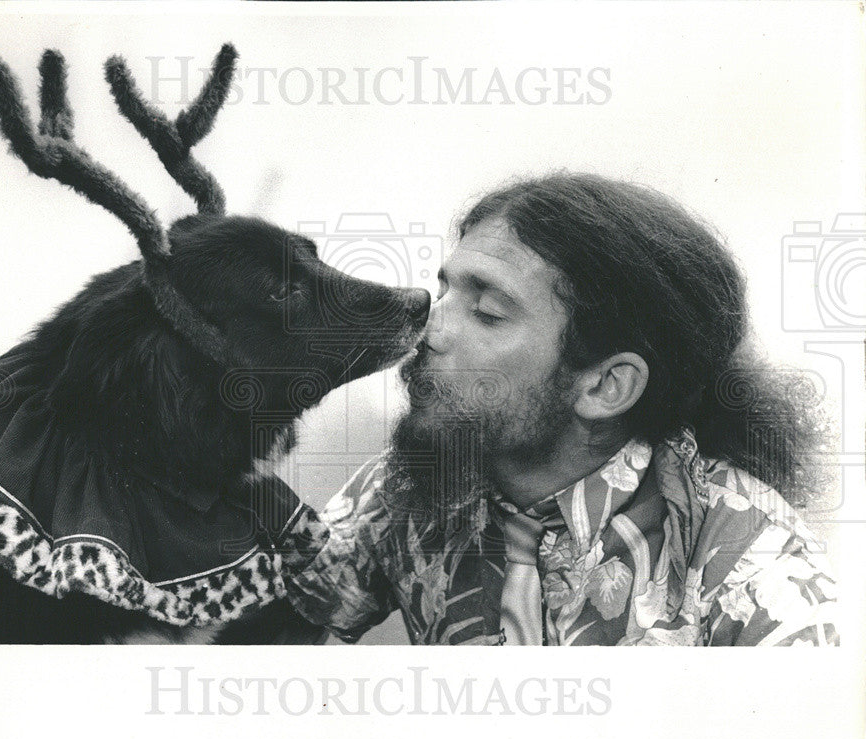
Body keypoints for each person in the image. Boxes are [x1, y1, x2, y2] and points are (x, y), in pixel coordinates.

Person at [268, 171, 839, 646]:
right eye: (444, 292)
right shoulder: (408, 488)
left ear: (605, 386)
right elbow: (262, 621)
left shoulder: (757, 564)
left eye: (488, 313)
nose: (427, 328)